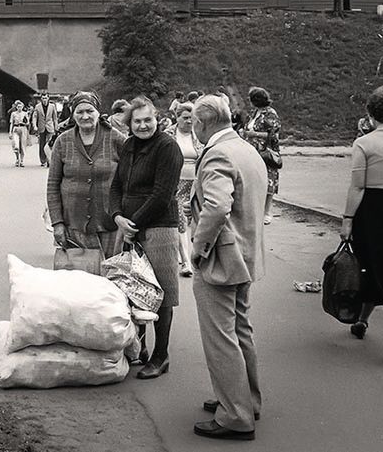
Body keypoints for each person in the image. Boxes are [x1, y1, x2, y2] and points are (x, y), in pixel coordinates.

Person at [188, 95, 266, 441]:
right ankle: (245, 400)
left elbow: (217, 208)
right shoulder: (246, 149)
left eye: (194, 124)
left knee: (220, 337)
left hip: (221, 258)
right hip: (247, 254)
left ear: (202, 124)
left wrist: (198, 247)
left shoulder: (217, 153)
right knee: (240, 330)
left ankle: (235, 415)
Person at [109, 95, 183, 380]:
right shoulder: (129, 145)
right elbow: (117, 185)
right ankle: (137, 348)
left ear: (157, 119)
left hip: (159, 228)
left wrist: (133, 223)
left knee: (161, 293)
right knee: (132, 289)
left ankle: (160, 355)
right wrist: (117, 216)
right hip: (128, 227)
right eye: (137, 121)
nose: (143, 125)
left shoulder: (168, 147)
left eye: (148, 120)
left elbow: (162, 195)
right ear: (129, 124)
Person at [46, 91, 126, 259]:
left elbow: (131, 178)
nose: (85, 116)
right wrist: (57, 223)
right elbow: (53, 185)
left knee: (110, 278)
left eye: (89, 111)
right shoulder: (63, 141)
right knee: (81, 280)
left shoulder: (116, 139)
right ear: (73, 115)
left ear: (98, 112)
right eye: (79, 112)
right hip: (74, 225)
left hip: (110, 223)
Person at [340, 86, 383, 339]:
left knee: (370, 266)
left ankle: (363, 320)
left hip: (373, 211)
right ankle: (362, 321)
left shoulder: (364, 143)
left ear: (370, 115)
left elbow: (357, 186)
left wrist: (347, 221)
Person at [166, 102, 201, 277]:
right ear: (177, 118)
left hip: (196, 184)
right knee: (180, 221)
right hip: (175, 183)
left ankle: (195, 256)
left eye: (191, 118)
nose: (188, 121)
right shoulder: (169, 134)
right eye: (185, 118)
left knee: (191, 221)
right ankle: (187, 262)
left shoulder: (199, 136)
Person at [240, 87, 281, 225]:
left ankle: (267, 212)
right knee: (253, 179)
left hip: (265, 152)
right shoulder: (255, 112)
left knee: (269, 179)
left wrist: (253, 134)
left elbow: (274, 135)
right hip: (252, 151)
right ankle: (255, 210)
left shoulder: (270, 113)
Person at [32, 93, 58, 167]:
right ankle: (43, 160)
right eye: (43, 98)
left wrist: (56, 127)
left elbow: (55, 118)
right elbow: (34, 117)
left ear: (48, 99)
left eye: (46, 98)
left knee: (50, 143)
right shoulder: (37, 107)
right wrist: (35, 126)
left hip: (50, 127)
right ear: (41, 99)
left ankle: (50, 160)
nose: (44, 100)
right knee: (42, 144)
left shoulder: (52, 106)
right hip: (41, 127)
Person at [8, 100, 30, 167]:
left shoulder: (25, 113)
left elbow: (28, 122)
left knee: (23, 146)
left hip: (23, 129)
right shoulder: (13, 114)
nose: (19, 108)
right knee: (16, 145)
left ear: (23, 107)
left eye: (21, 107)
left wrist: (25, 123)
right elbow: (11, 123)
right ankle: (17, 158)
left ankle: (22, 160)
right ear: (16, 107)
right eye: (18, 107)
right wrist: (10, 132)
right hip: (16, 128)